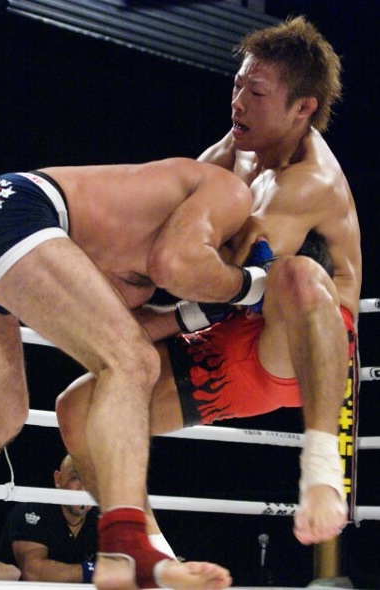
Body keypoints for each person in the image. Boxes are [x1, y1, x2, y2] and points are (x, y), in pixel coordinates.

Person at [0, 156, 267, 590]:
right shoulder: (219, 197)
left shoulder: (147, 237)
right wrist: (251, 285)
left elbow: (112, 325)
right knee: (135, 361)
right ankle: (126, 546)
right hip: (12, 213)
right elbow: (175, 268)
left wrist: (197, 312)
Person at [56, 14, 361, 552]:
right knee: (78, 411)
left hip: (306, 344)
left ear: (303, 107)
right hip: (233, 324)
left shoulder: (311, 182)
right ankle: (151, 559)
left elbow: (221, 267)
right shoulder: (234, 150)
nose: (238, 102)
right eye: (237, 85)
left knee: (296, 273)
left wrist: (163, 297)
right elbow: (177, 240)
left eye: (256, 93)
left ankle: (321, 469)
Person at [0, 454, 99, 582]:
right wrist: (94, 571)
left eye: (92, 479)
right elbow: (33, 572)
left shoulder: (100, 517)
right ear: (58, 479)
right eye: (76, 478)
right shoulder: (33, 510)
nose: (84, 488)